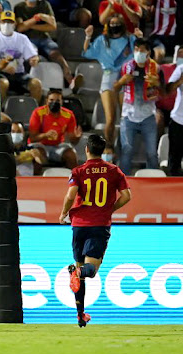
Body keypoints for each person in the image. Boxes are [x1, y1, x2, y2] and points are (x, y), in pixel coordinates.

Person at [59, 133, 131, 327]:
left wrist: (64, 213)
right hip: (99, 224)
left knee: (79, 267)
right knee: (88, 272)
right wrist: (111, 209)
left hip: (78, 225)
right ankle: (77, 274)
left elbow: (70, 195)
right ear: (103, 151)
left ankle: (80, 315)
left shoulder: (77, 171)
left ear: (87, 150)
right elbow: (127, 196)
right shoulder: (114, 171)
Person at [82, 16, 141, 161]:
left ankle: (125, 149)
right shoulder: (102, 40)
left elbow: (140, 55)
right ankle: (108, 148)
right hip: (108, 77)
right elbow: (87, 52)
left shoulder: (130, 39)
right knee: (110, 118)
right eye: (112, 23)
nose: (115, 25)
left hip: (126, 77)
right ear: (108, 25)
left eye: (118, 23)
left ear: (123, 25)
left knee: (125, 118)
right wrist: (88, 37)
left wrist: (140, 38)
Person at [114, 38, 164, 175]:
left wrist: (157, 83)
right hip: (128, 116)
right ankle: (122, 180)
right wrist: (121, 81)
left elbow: (165, 93)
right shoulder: (126, 67)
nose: (139, 53)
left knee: (152, 153)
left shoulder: (157, 69)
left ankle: (153, 180)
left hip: (148, 116)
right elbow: (115, 87)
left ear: (148, 52)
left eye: (142, 50)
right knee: (127, 150)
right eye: (136, 50)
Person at [14, 0, 83, 89]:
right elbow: (20, 28)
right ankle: (30, 85)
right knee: (32, 55)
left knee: (57, 55)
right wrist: (37, 18)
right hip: (28, 40)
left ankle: (70, 81)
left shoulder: (44, 4)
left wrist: (30, 24)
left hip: (44, 38)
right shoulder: (19, 7)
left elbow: (52, 26)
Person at [0, 11, 42, 104]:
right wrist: (3, 67)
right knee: (2, 84)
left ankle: (33, 113)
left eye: (10, 22)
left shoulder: (22, 38)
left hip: (19, 74)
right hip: (0, 73)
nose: (7, 24)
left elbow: (33, 56)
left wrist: (34, 60)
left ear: (14, 24)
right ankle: (0, 113)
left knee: (36, 84)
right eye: (4, 22)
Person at [28, 89, 81, 169]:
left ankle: (75, 180)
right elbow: (32, 138)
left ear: (61, 102)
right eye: (51, 100)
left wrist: (77, 137)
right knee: (37, 154)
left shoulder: (68, 115)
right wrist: (45, 135)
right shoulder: (38, 113)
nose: (54, 102)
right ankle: (36, 179)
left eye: (58, 100)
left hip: (58, 146)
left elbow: (72, 140)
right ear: (46, 101)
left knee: (71, 155)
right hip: (40, 145)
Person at [166, 50, 183, 176]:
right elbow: (168, 90)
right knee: (174, 160)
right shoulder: (180, 69)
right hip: (178, 120)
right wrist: (180, 80)